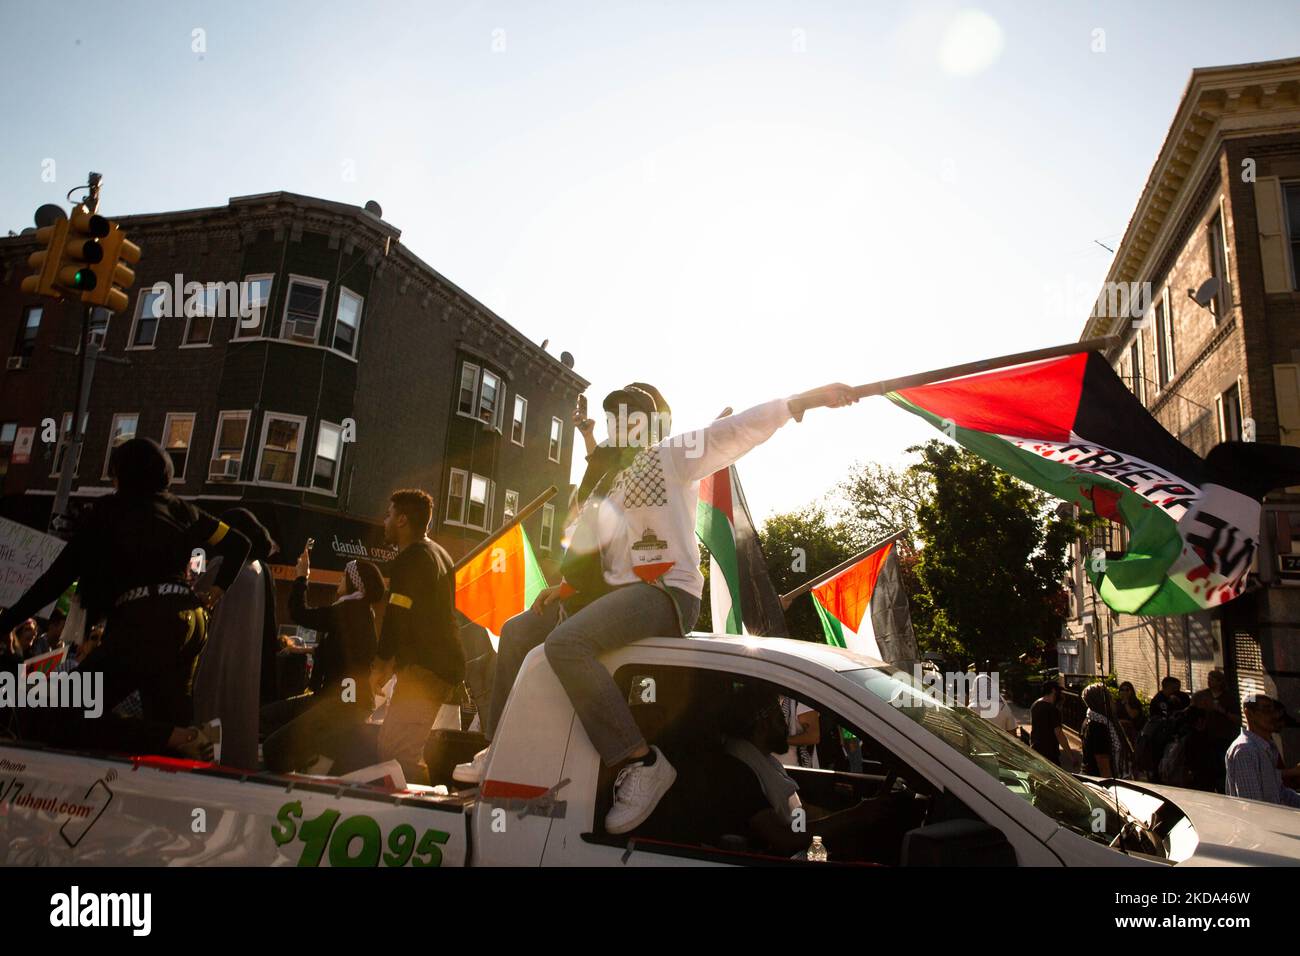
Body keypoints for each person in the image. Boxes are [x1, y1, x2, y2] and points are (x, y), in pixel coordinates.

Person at [455, 381, 860, 834]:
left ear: (648, 425)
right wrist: (566, 588)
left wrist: (797, 403)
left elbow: (732, 432)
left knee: (566, 644)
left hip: (669, 593)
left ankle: (641, 760)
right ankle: (499, 748)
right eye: (615, 420)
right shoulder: (615, 478)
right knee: (518, 631)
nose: (620, 427)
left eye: (631, 419)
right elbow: (603, 551)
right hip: (616, 594)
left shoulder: (672, 453)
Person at [0, 438, 250, 759]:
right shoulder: (182, 509)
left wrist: (6, 621)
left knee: (59, 710)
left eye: (114, 473)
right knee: (168, 734)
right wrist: (216, 592)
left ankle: (175, 735)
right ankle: (185, 740)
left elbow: (54, 581)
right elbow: (239, 544)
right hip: (190, 621)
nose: (112, 481)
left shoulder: (106, 512)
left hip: (145, 621)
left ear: (124, 474)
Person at [371, 489, 463, 785]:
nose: (384, 521)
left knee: (399, 751)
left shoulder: (410, 558)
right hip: (437, 667)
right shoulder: (441, 554)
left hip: (426, 668)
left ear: (402, 520)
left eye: (388, 514)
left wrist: (381, 663)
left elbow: (397, 615)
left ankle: (424, 814)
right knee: (389, 746)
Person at [262, 552, 384, 773]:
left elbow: (299, 613)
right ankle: (314, 758)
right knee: (270, 718)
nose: (339, 579)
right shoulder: (360, 613)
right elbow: (342, 653)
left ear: (355, 584)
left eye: (344, 576)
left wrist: (302, 577)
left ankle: (306, 771)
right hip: (337, 699)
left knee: (274, 747)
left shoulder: (348, 611)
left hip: (342, 703)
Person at [193, 508, 279, 768]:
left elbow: (197, 600)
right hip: (247, 665)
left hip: (215, 655)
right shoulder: (260, 570)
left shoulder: (223, 565)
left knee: (209, 718)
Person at [1224, 693, 1300, 807]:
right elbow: (1252, 805)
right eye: (1266, 711)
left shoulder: (1265, 747)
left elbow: (1279, 793)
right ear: (1249, 713)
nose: (1274, 716)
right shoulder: (1245, 750)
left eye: (1274, 711)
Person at [1080, 682, 1131, 778]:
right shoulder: (1098, 727)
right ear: (1101, 702)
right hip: (1098, 781)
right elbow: (1103, 764)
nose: (1113, 701)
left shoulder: (1092, 719)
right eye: (1109, 698)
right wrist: (1110, 789)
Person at [1030, 682, 1072, 768]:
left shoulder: (1035, 704)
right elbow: (1059, 733)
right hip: (1049, 752)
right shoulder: (1052, 709)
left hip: (1036, 748)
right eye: (1059, 691)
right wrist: (1071, 756)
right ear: (1053, 691)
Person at [780, 696, 820, 768]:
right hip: (771, 767)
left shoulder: (801, 701)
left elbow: (813, 736)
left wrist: (778, 740)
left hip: (795, 770)